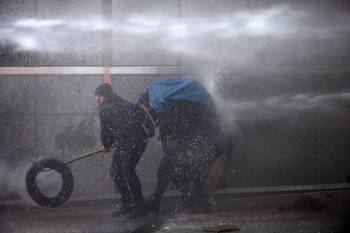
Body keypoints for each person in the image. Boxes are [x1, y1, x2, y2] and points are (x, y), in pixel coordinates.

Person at [137, 78, 225, 213]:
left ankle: (191, 202)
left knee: (177, 171)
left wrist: (172, 141)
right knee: (173, 170)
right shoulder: (173, 104)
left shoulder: (169, 107)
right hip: (192, 142)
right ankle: (187, 201)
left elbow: (170, 129)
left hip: (193, 143)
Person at [95, 83, 153, 218]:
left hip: (134, 141)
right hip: (128, 141)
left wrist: (107, 145)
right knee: (115, 172)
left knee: (126, 170)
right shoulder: (122, 102)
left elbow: (105, 131)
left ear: (106, 96)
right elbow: (139, 116)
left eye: (100, 96)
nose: (97, 99)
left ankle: (140, 206)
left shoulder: (105, 109)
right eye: (96, 96)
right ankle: (128, 203)